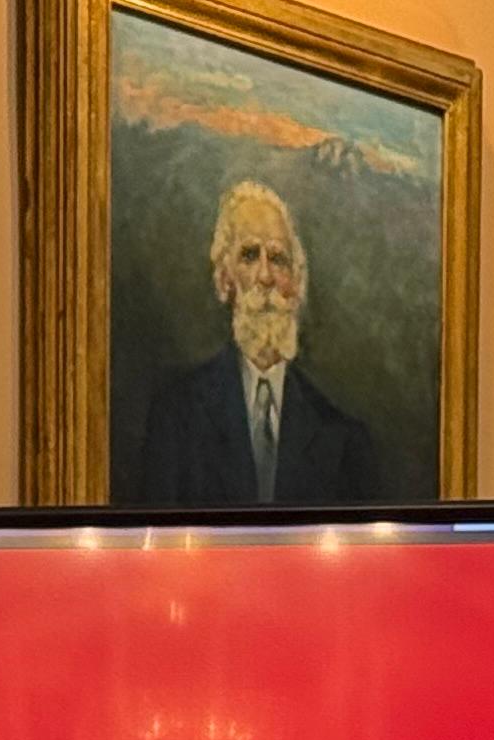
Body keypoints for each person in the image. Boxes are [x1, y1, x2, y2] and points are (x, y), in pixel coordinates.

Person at [118, 179, 389, 507]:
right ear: (224, 280)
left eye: (278, 258)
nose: (265, 276)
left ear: (297, 283)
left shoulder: (342, 437)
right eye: (249, 255)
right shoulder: (176, 417)